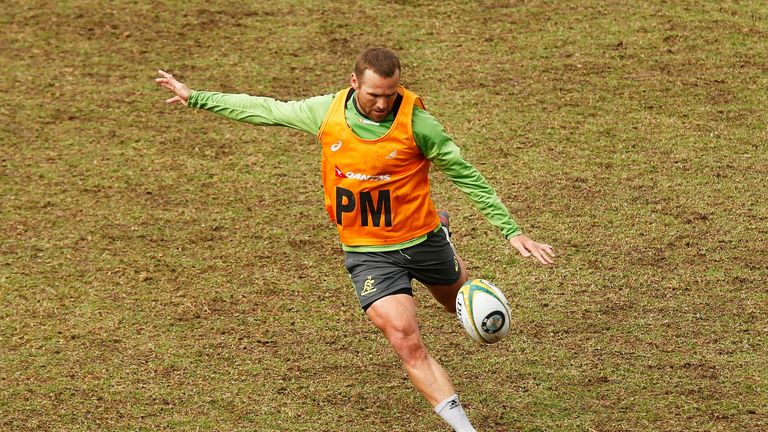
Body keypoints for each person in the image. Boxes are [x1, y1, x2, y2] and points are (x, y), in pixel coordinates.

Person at [156, 47, 554, 432]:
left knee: (461, 311)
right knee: (404, 338)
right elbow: (266, 109)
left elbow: (465, 174)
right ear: (354, 83)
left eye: (391, 94)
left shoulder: (418, 125)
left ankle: (444, 235)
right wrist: (197, 98)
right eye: (374, 94)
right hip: (369, 253)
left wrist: (511, 231)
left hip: (422, 241)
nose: (382, 104)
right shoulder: (325, 112)